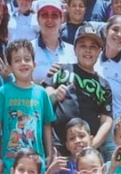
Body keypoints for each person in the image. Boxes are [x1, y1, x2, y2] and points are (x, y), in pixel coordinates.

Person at [0, 38, 56, 174]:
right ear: (10, 67)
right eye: (17, 60)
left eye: (27, 59)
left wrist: (49, 154)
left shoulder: (41, 93)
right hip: (10, 165)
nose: (23, 63)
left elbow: (47, 125)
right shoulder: (4, 92)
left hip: (36, 165)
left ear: (34, 64)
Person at [46, 24, 114, 153]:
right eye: (83, 46)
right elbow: (45, 95)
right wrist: (55, 94)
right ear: (75, 49)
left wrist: (92, 145)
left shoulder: (104, 85)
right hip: (58, 146)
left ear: (100, 51)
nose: (88, 50)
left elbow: (107, 120)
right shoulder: (61, 70)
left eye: (93, 47)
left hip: (87, 150)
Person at [31, 0, 77, 84]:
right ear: (38, 19)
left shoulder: (72, 51)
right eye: (44, 15)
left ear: (61, 19)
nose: (49, 19)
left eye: (54, 15)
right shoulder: (29, 50)